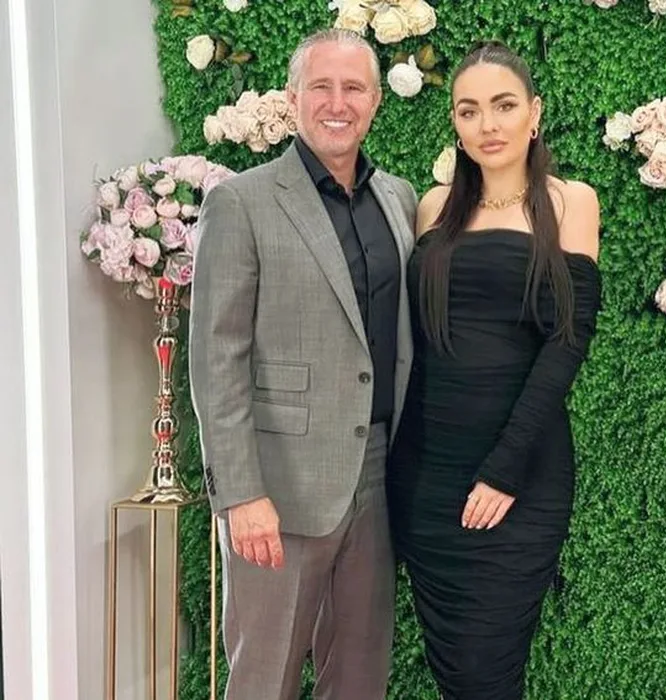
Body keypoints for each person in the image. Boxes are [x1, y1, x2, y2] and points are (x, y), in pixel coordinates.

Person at [188, 28, 417, 700]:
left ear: (374, 101)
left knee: (360, 676)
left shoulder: (399, 199)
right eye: (321, 86)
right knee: (264, 678)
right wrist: (240, 494)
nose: (337, 103)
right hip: (278, 487)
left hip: (379, 475)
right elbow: (217, 356)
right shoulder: (243, 201)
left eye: (353, 88)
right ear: (293, 98)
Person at [387, 41, 602, 700]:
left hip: (520, 478)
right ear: (455, 123)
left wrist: (504, 469)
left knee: (486, 672)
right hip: (425, 480)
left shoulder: (570, 203)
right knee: (454, 675)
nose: (488, 124)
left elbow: (567, 344)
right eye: (469, 110)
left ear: (534, 113)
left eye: (503, 105)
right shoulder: (431, 208)